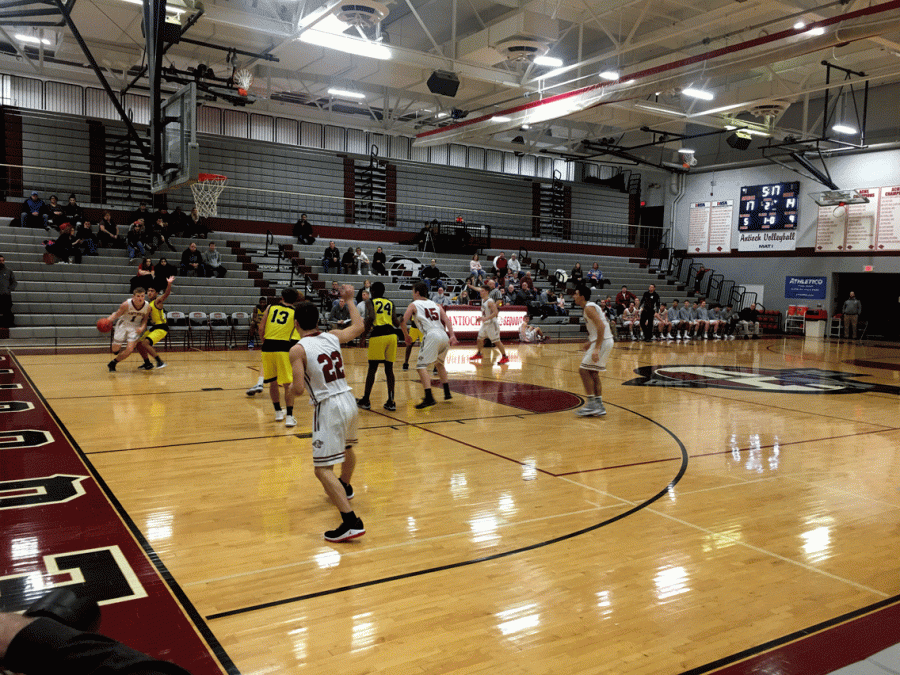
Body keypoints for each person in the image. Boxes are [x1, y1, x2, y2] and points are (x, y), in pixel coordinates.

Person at [290, 285, 366, 541]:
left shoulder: (298, 349)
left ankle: (351, 521)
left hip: (328, 406)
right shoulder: (332, 336)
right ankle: (344, 486)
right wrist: (351, 300)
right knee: (348, 449)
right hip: (347, 397)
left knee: (322, 470)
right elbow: (358, 328)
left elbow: (299, 389)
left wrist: (289, 386)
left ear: (296, 322)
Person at [401, 281, 459, 409]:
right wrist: (453, 335)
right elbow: (447, 320)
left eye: (412, 291)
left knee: (420, 366)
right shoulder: (436, 304)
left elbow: (402, 321)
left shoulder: (413, 304)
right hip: (444, 335)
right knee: (439, 364)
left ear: (416, 292)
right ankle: (447, 392)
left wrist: (406, 335)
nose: (412, 294)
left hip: (431, 335)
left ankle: (429, 397)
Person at [261, 288, 303, 427]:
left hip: (267, 346)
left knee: (273, 382)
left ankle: (278, 412)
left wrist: (264, 341)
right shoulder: (296, 312)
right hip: (283, 347)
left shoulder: (270, 307)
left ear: (282, 297)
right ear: (296, 299)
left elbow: (261, 327)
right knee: (287, 384)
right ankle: (290, 417)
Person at [356, 281, 398, 412]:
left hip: (378, 335)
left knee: (372, 369)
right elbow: (396, 322)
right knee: (389, 369)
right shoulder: (390, 303)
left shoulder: (370, 302)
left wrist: (363, 337)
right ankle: (391, 401)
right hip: (392, 336)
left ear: (372, 291)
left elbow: (371, 317)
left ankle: (366, 400)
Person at [572, 284, 613, 416]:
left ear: (582, 296)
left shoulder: (589, 308)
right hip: (604, 341)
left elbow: (601, 326)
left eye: (576, 294)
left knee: (583, 370)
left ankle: (591, 405)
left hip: (603, 342)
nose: (574, 296)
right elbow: (600, 327)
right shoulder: (589, 307)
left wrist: (596, 347)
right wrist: (591, 342)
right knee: (593, 373)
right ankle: (599, 406)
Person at [106, 287, 151, 372]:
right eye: (138, 296)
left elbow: (145, 320)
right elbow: (117, 315)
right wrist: (107, 321)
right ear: (133, 296)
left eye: (142, 296)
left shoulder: (147, 307)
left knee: (130, 349)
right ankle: (117, 351)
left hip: (135, 327)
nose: (140, 298)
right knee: (115, 349)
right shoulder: (126, 304)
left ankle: (113, 363)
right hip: (123, 324)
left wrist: (142, 328)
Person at [135, 277, 174, 370]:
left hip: (161, 328)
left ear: (156, 293)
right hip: (154, 328)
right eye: (148, 291)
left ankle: (160, 362)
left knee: (145, 343)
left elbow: (166, 294)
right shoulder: (148, 304)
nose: (149, 292)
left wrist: (169, 284)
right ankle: (147, 363)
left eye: (152, 291)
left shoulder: (157, 301)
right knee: (139, 344)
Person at [469, 285, 509, 365]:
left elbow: (495, 313)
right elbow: (486, 312)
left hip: (492, 324)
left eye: (482, 291)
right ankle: (479, 353)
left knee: (497, 342)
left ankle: (505, 357)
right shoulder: (483, 299)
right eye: (480, 291)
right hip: (485, 324)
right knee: (479, 339)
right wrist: (481, 318)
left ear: (487, 292)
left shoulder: (490, 301)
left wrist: (486, 318)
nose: (480, 292)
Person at [0, 256, 17, 328]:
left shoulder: (8, 271)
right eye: (0, 261)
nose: (1, 262)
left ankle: (8, 324)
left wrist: (9, 289)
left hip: (5, 295)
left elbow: (14, 282)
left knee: (7, 311)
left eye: (2, 260)